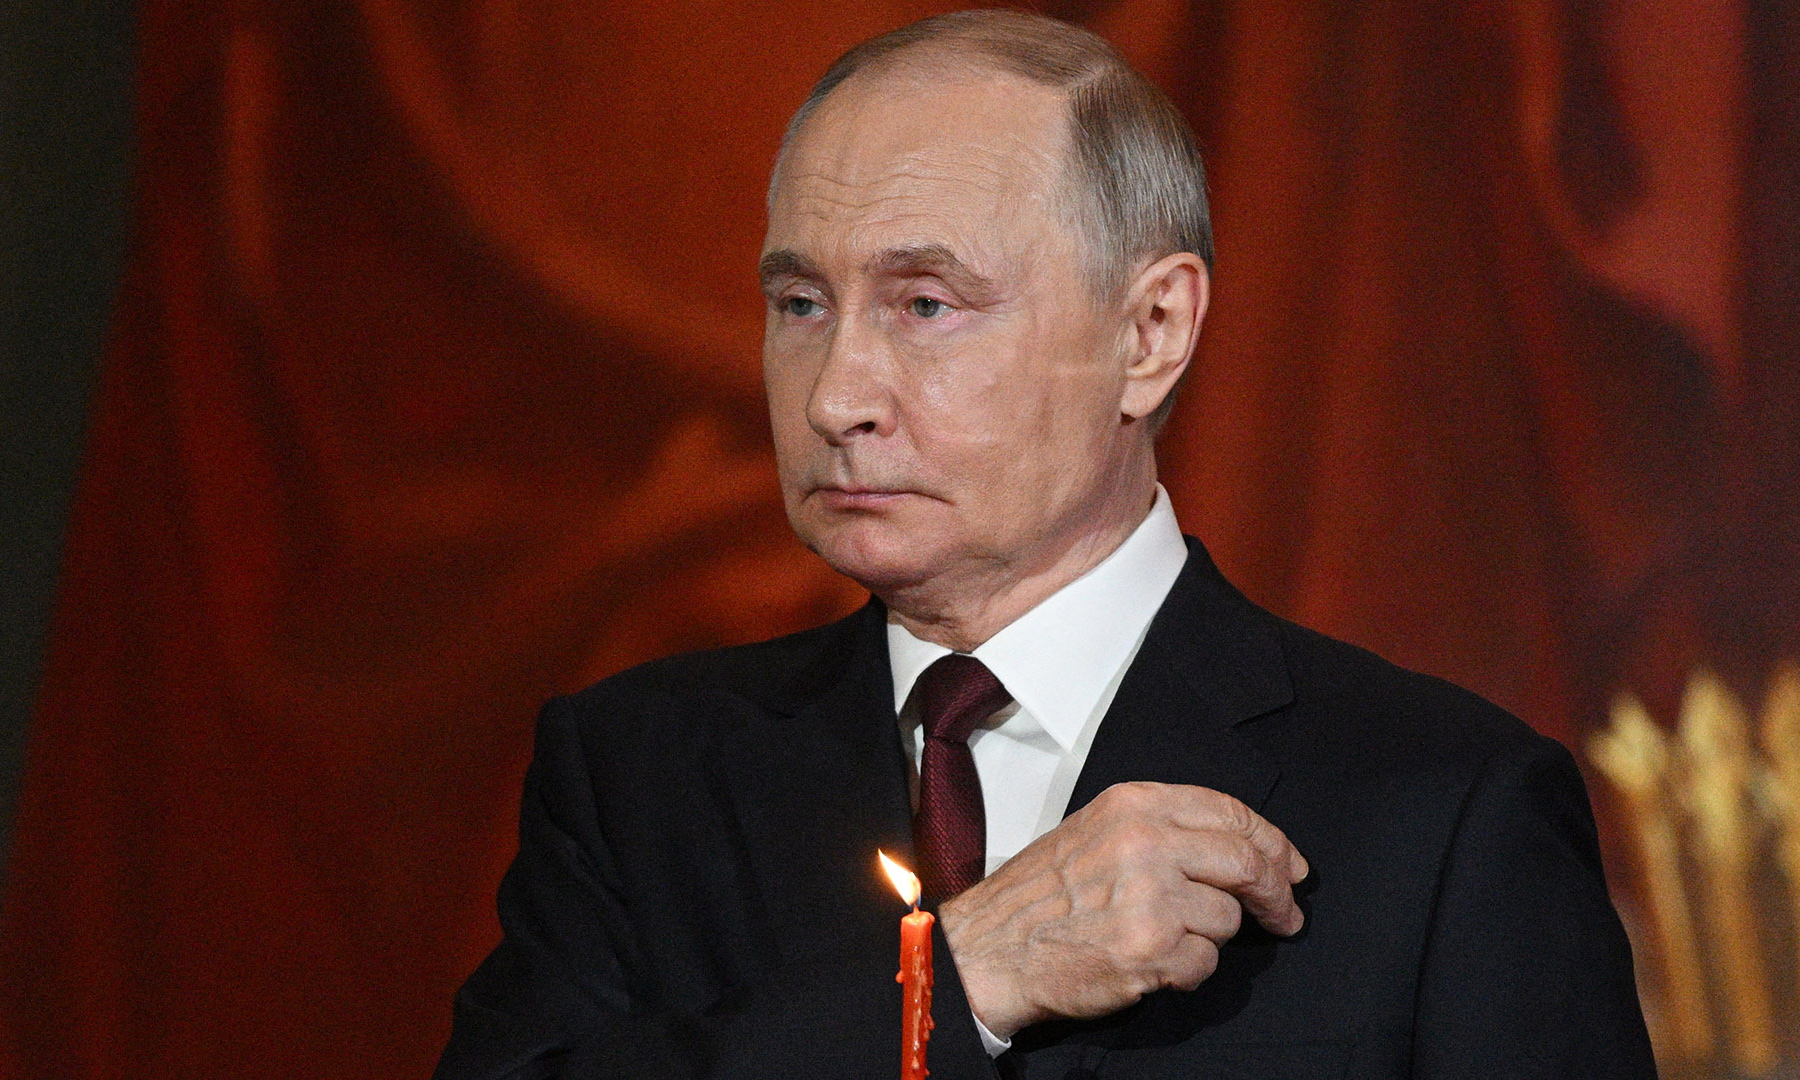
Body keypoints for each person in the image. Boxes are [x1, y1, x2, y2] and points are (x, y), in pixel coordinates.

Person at [435, 11, 1656, 1079]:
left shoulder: (1443, 812)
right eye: (801, 304)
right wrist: (962, 975)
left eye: (926, 304)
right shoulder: (640, 775)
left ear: (1150, 331)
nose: (834, 397)